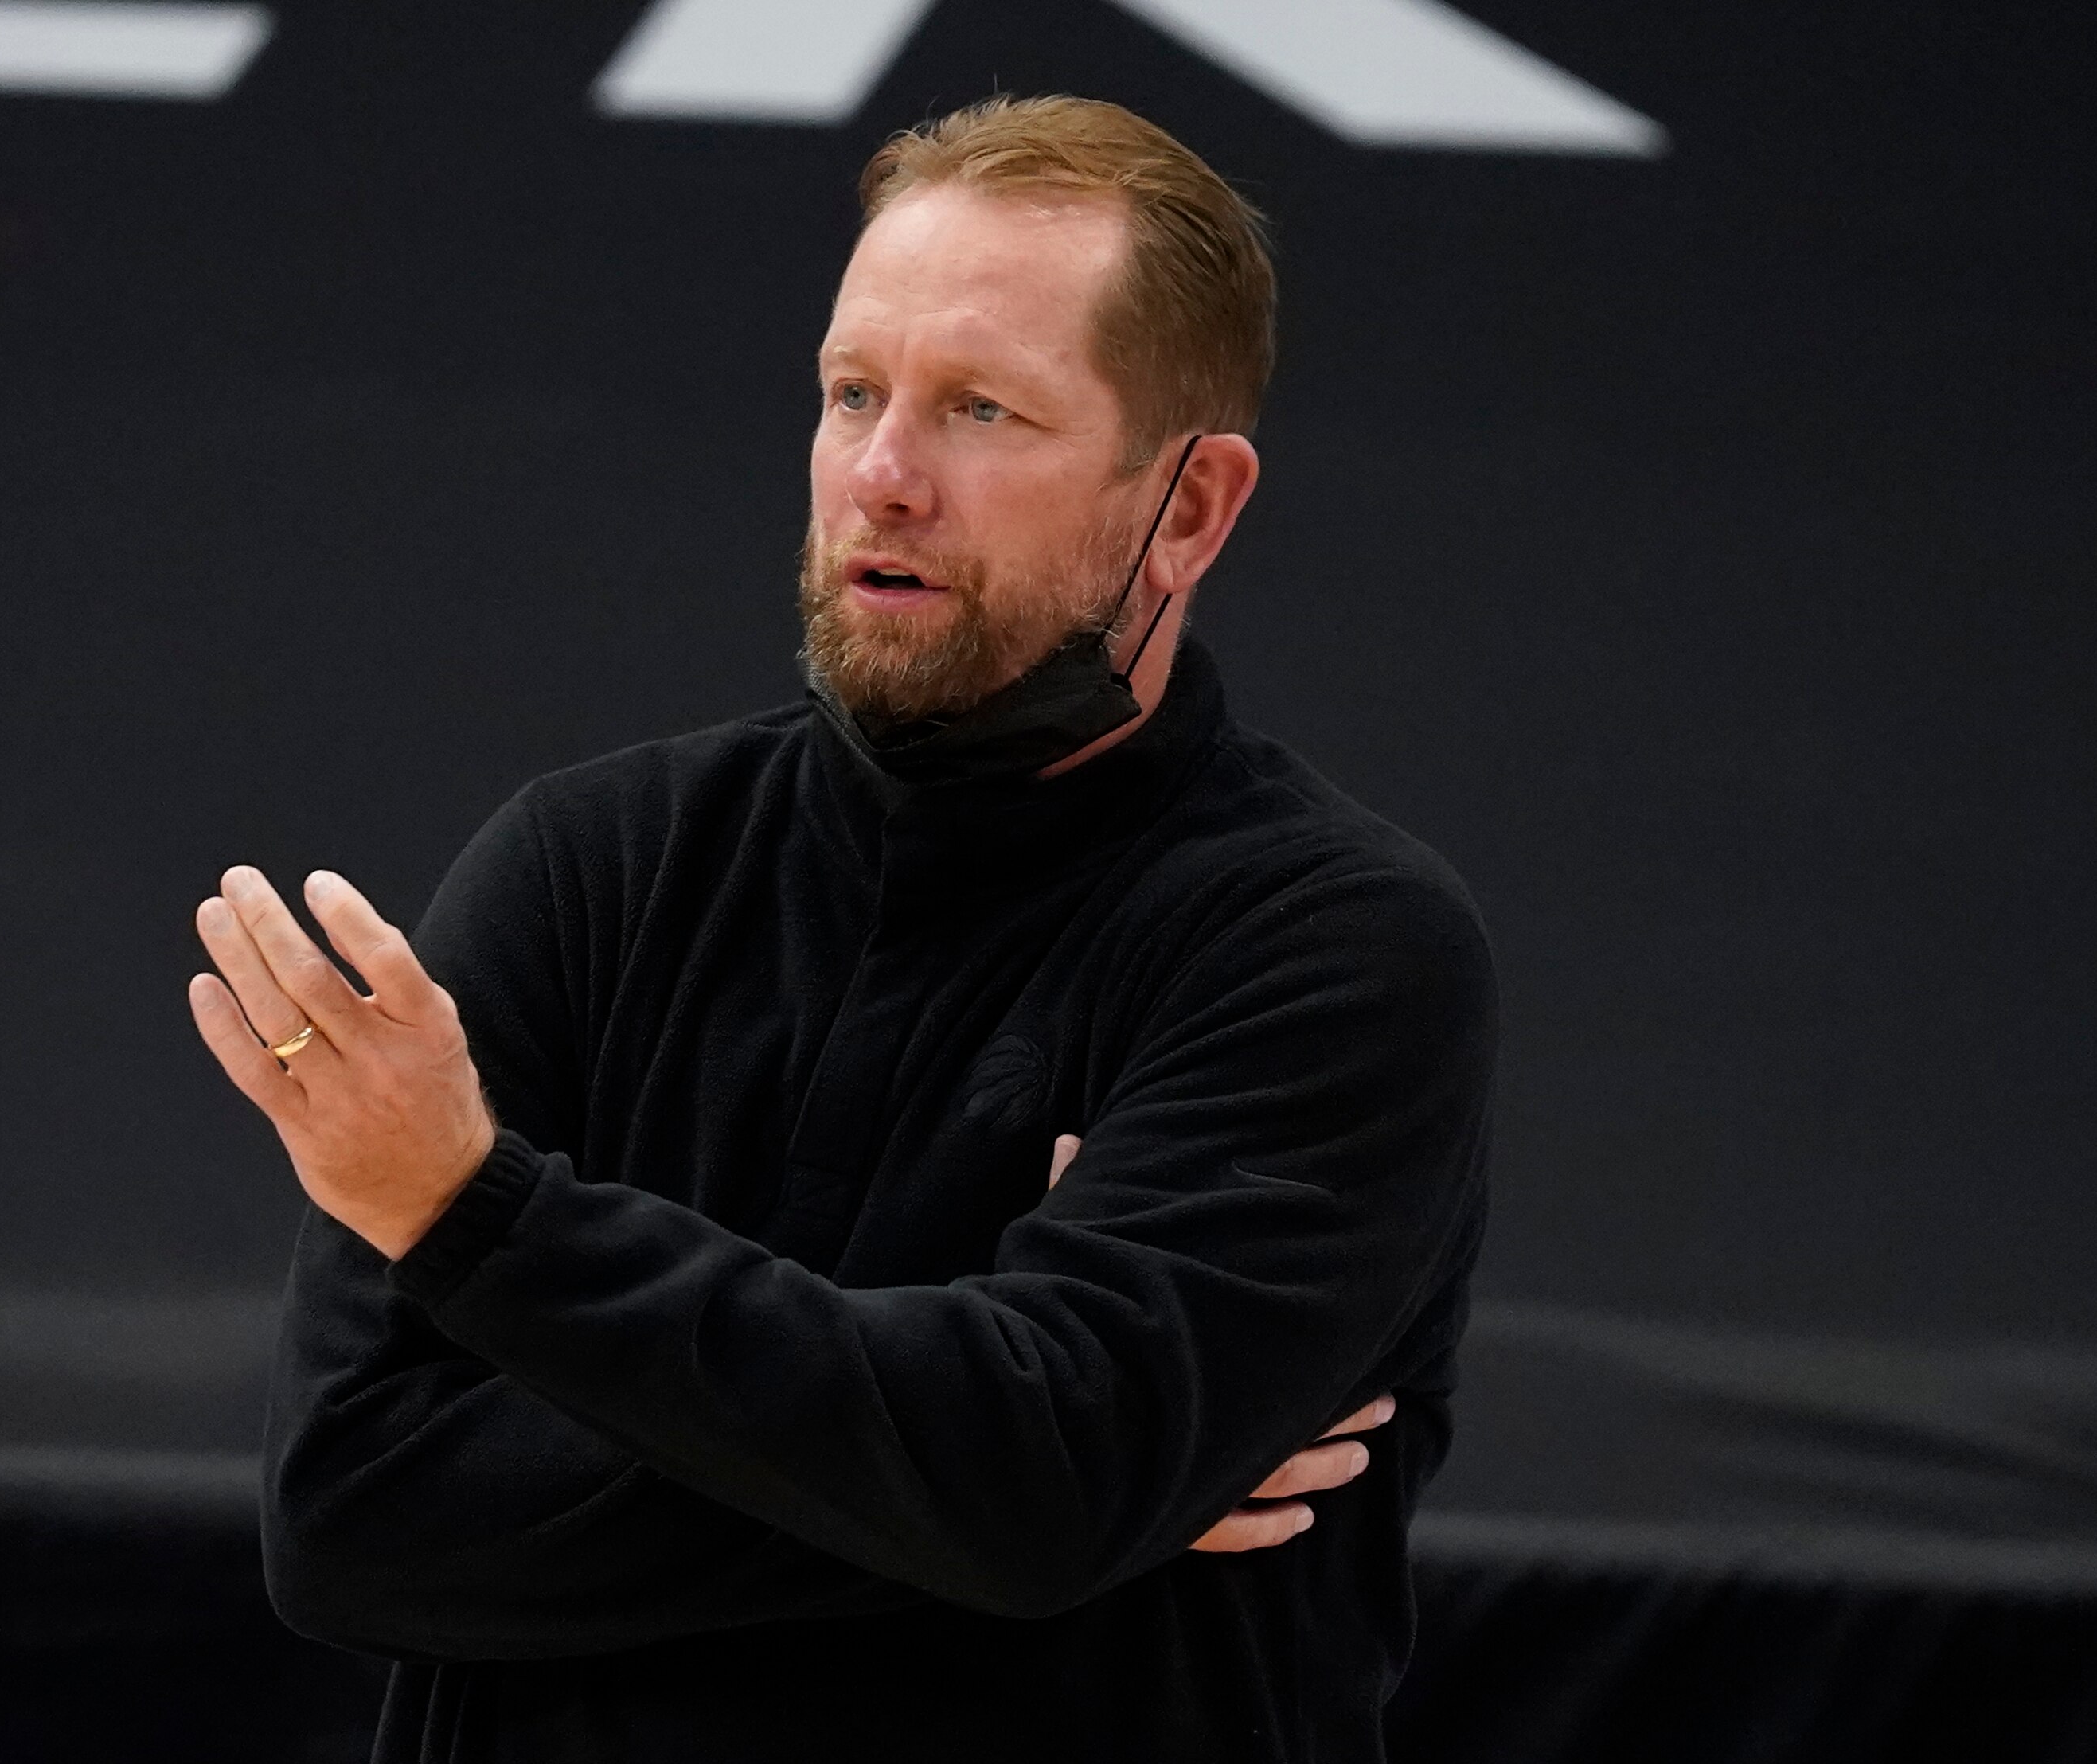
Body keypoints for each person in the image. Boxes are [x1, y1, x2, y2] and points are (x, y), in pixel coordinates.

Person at [189, 95, 1494, 1763]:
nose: (883, 476)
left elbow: (1045, 1477)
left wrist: (477, 1216)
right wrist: (998, 1458)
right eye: (853, 393)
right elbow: (355, 1512)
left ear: (1189, 508)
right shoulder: (592, 865)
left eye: (980, 410)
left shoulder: (1335, 945)